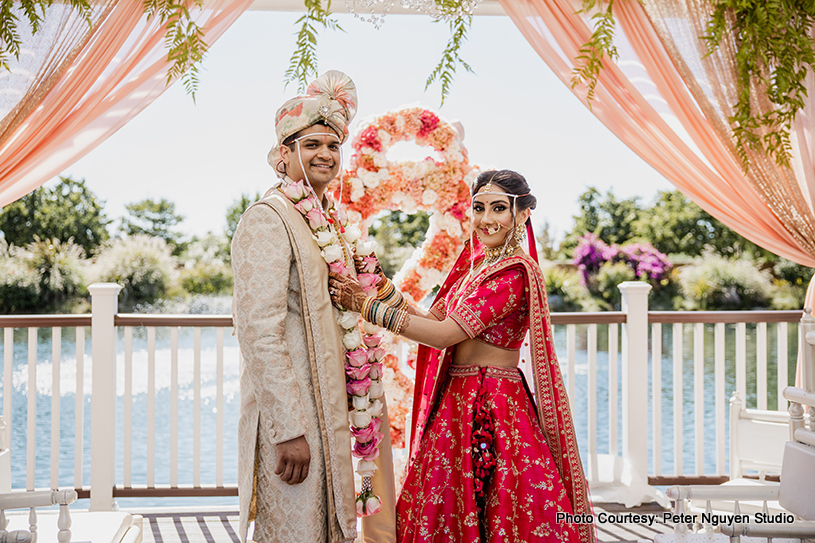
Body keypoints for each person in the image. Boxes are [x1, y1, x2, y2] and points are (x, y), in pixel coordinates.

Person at [328, 170, 594, 543]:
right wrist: (378, 286)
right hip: (459, 397)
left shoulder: (513, 274)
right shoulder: (476, 267)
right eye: (479, 208)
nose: (486, 219)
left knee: (495, 508)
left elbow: (442, 336)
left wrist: (365, 306)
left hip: (492, 405)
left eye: (499, 208)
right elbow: (434, 318)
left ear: (522, 214)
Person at [231, 70, 396, 543]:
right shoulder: (267, 218)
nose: (325, 154)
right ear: (283, 156)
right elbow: (258, 332)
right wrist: (287, 429)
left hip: (335, 410)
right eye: (311, 145)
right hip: (297, 418)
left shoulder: (333, 223)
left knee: (336, 527)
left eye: (332, 145)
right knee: (296, 529)